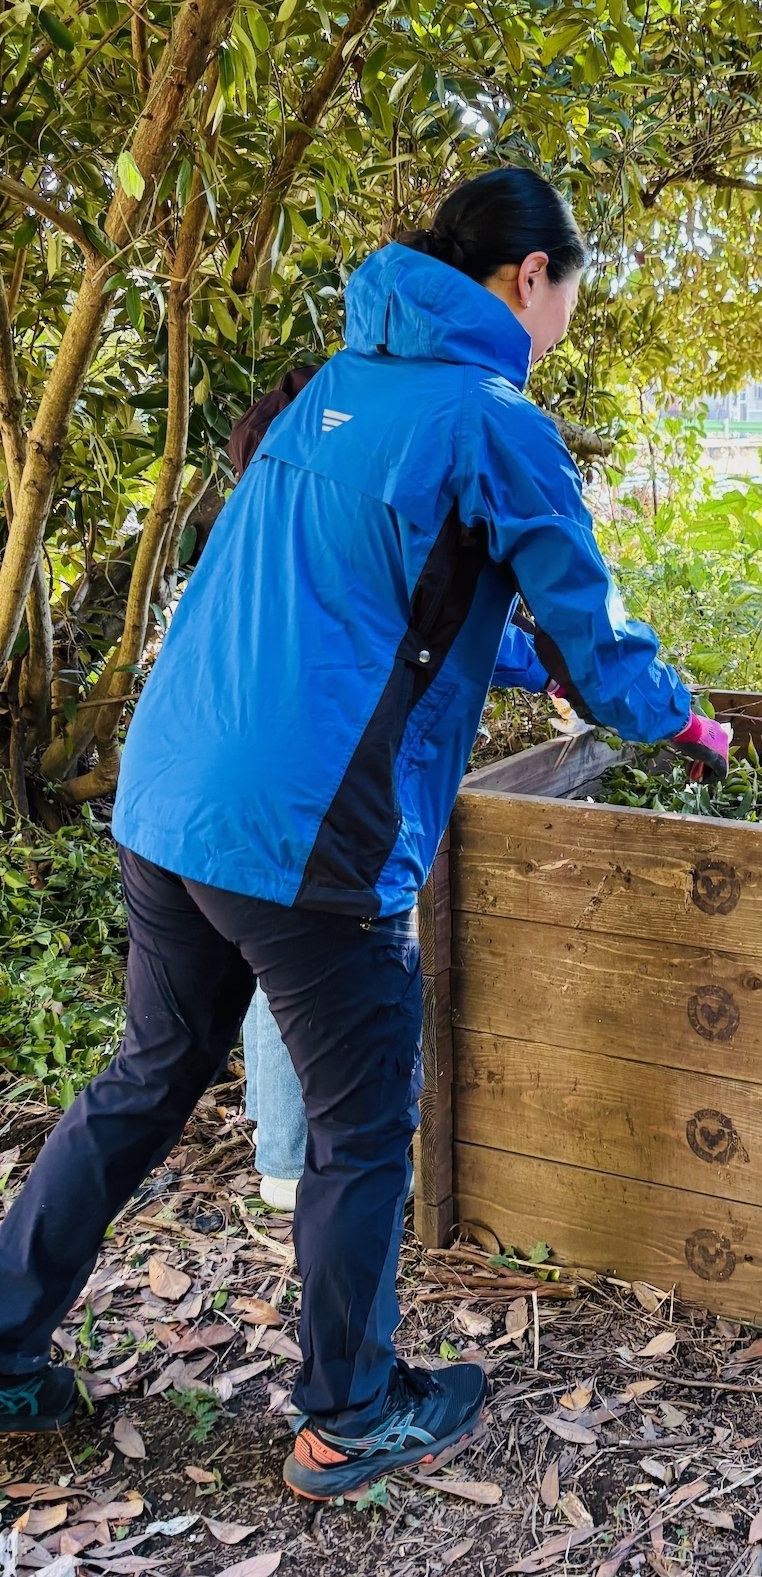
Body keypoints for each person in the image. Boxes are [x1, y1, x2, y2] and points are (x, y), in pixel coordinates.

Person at [0, 168, 731, 1498]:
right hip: (303, 838)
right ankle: (348, 1413)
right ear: (532, 278)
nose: (568, 310)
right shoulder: (491, 417)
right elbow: (602, 644)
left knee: (147, 1074)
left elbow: (368, 599)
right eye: (573, 286)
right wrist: (677, 720)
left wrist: (522, 666)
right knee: (358, 1128)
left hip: (169, 797)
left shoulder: (329, 386)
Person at [226, 375, 551, 1214]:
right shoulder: (355, 515)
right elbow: (428, 621)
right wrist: (553, 665)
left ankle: (281, 1148)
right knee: (323, 958)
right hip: (321, 786)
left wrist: (535, 667)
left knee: (273, 965)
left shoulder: (271, 526)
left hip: (236, 780)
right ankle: (306, 1166)